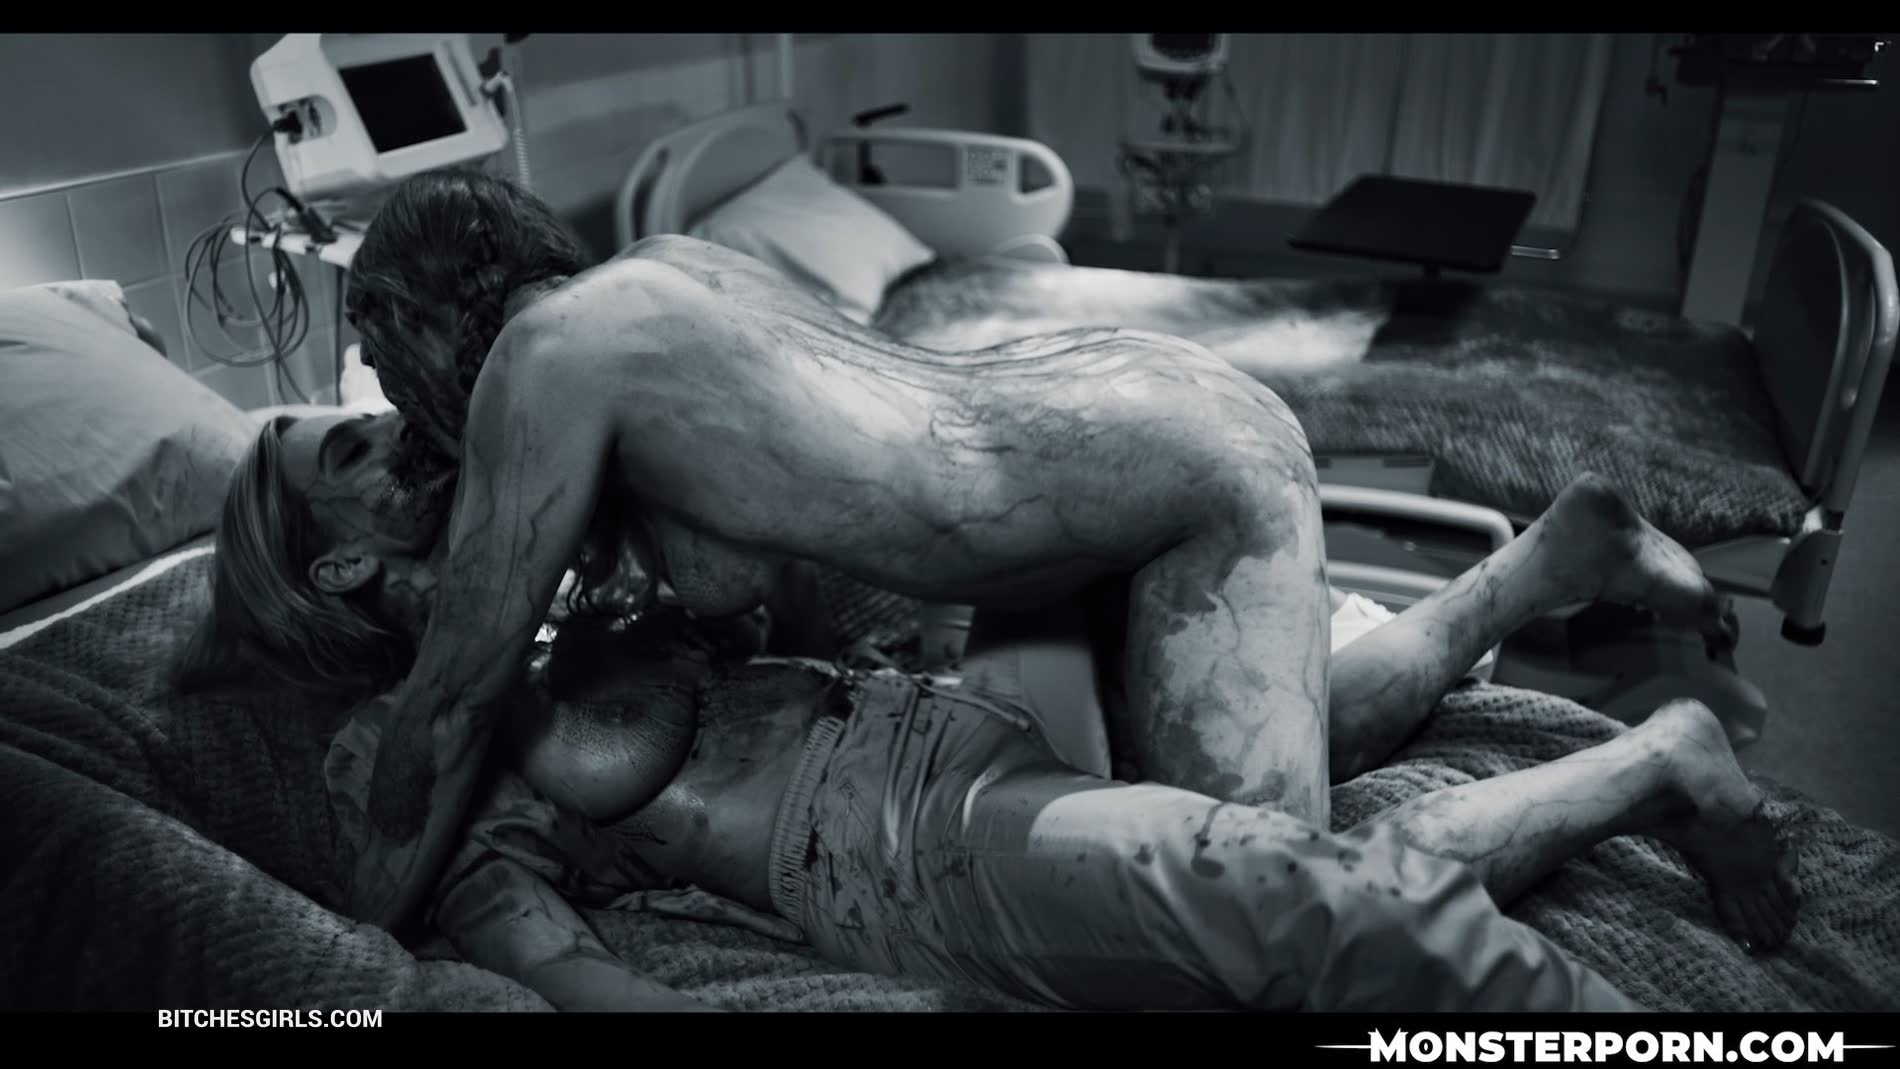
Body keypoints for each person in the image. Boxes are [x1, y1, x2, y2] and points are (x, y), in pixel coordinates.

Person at [330, 169, 1749, 934]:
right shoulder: (661, 275)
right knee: (1245, 768)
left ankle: (1659, 763)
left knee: (1290, 910)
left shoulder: (539, 361)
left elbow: (448, 706)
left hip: (1175, 485)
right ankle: (1546, 561)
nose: (402, 410)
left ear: (423, 321)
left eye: (392, 376)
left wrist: (354, 939)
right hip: (1109, 424)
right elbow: (775, 552)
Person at [174, 410, 1797, 1012]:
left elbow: (786, 588)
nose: (399, 432)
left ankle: (1534, 575)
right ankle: (1655, 792)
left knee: (1261, 753)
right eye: (350, 452)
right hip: (903, 844)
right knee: (1284, 887)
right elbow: (545, 959)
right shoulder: (407, 745)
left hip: (949, 715)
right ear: (332, 565)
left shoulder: (550, 558)